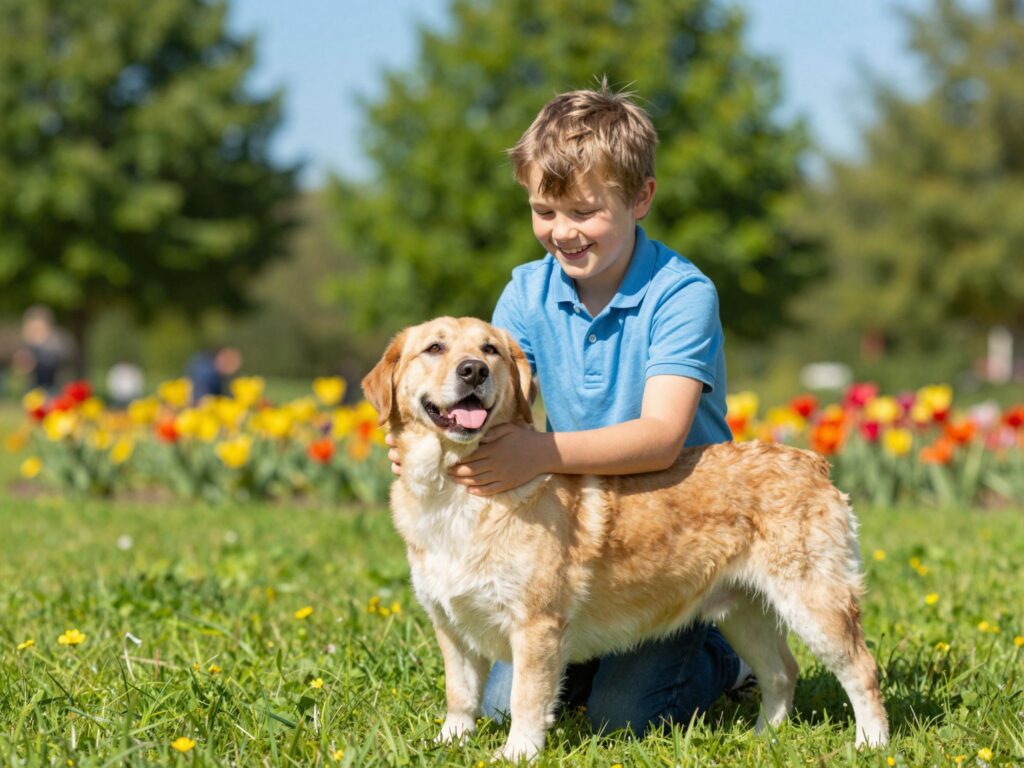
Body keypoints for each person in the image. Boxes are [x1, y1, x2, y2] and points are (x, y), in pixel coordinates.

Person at [389, 83, 751, 734]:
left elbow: (663, 439)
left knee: (621, 718)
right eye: (544, 211)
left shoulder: (681, 294)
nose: (562, 232)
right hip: (580, 527)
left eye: (584, 212)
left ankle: (721, 654)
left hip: (675, 526)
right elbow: (492, 403)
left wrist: (540, 452)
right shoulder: (526, 291)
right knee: (506, 706)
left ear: (640, 198)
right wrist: (426, 437)